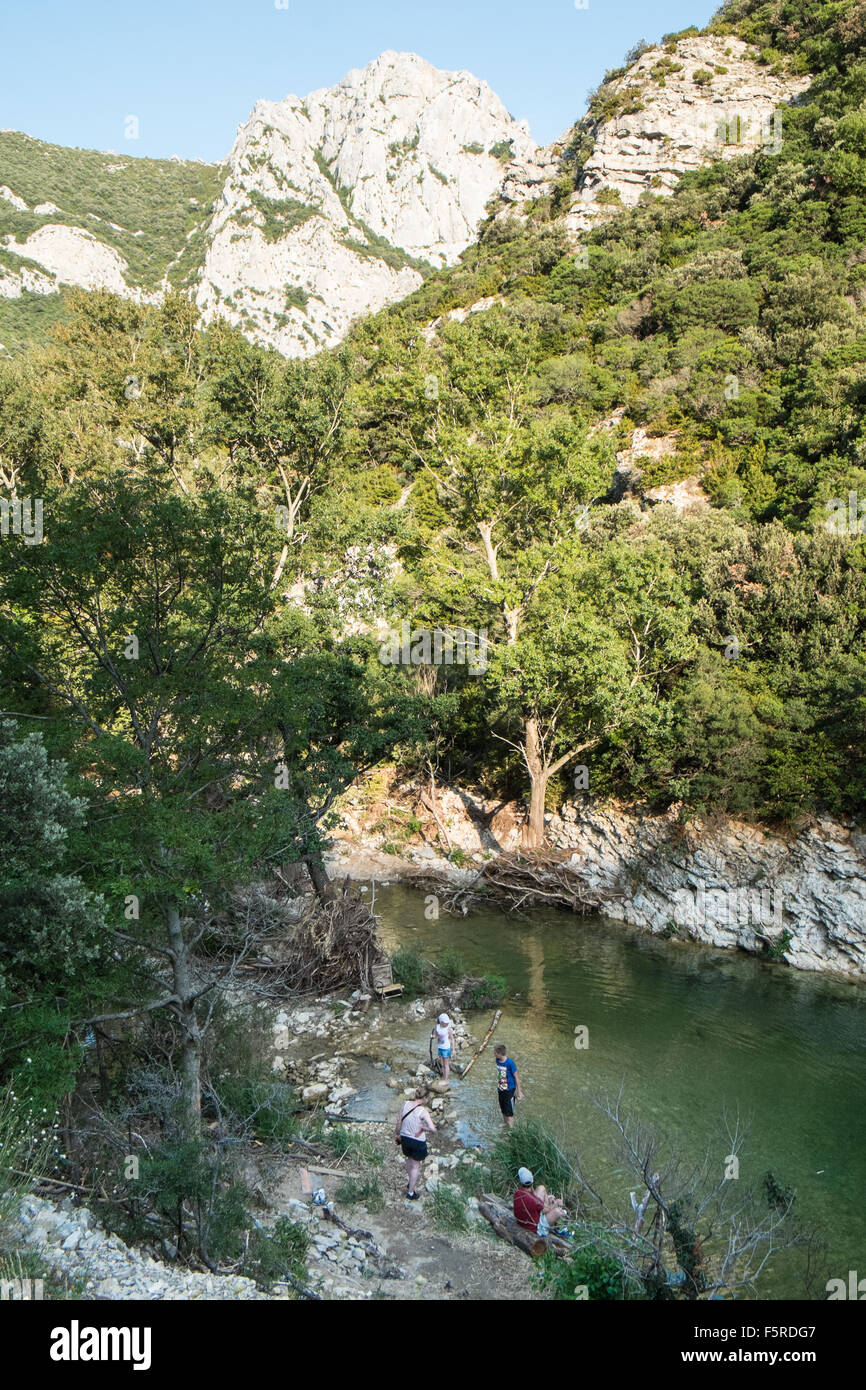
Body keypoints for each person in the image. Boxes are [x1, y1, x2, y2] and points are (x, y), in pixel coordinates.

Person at [394, 1085, 436, 1200]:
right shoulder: (423, 1111)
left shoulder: (406, 1104)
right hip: (417, 1142)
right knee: (416, 1166)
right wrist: (423, 1128)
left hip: (405, 1139)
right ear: (425, 1098)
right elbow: (433, 1128)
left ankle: (410, 1182)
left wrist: (397, 1134)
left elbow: (399, 1122)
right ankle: (411, 1193)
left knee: (408, 1159)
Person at [513, 1167, 567, 1237]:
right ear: (532, 1181)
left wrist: (547, 1199)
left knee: (541, 1188)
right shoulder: (533, 1200)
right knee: (559, 1211)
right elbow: (546, 1210)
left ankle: (554, 1223)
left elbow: (536, 1204)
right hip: (536, 1227)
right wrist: (555, 1204)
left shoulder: (518, 1192)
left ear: (521, 1181)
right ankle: (555, 1228)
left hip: (525, 1220)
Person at [494, 1043, 523, 1127]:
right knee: (503, 1109)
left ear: (499, 1053)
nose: (494, 1054)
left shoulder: (510, 1063)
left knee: (509, 1112)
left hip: (509, 1090)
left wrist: (519, 1092)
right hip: (501, 1089)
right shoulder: (497, 1060)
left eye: (495, 1053)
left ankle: (511, 1130)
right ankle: (505, 1124)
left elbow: (516, 1078)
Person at [431, 1013, 456, 1083]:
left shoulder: (448, 1029)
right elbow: (436, 1035)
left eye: (447, 1022)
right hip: (440, 1047)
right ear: (441, 1022)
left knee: (446, 1064)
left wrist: (453, 1049)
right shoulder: (437, 1027)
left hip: (446, 1048)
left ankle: (446, 1080)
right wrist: (433, 1036)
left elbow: (452, 1039)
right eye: (445, 1023)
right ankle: (444, 1076)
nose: (447, 1024)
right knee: (442, 1064)